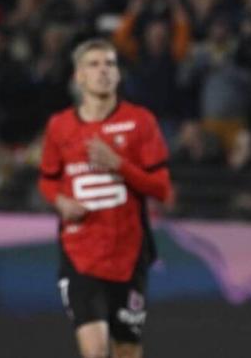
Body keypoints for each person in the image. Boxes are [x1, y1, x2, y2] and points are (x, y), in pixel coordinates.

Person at [38, 39, 172, 358]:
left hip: (129, 253)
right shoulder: (60, 126)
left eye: (110, 64)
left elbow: (162, 189)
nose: (104, 71)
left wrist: (119, 165)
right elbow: (47, 179)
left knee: (126, 349)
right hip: (80, 253)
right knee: (95, 351)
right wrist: (60, 202)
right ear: (78, 76)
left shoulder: (141, 122)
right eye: (94, 64)